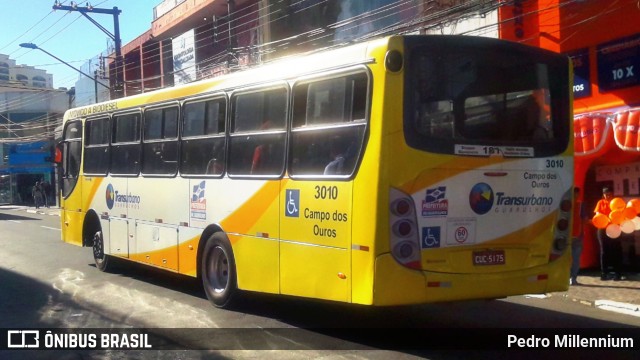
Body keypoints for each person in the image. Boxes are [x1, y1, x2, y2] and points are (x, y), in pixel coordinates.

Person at [594, 187, 624, 281]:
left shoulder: (617, 202)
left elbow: (622, 214)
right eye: (606, 194)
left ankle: (617, 273)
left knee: (616, 250)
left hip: (615, 228)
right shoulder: (600, 203)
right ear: (603, 195)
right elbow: (597, 214)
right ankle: (604, 273)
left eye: (609, 194)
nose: (608, 196)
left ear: (612, 194)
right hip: (602, 228)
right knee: (604, 251)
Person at [570, 187, 586, 285]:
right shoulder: (581, 205)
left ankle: (566, 278)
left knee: (566, 259)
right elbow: (584, 219)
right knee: (575, 259)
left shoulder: (563, 204)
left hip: (565, 237)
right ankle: (573, 279)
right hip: (577, 235)